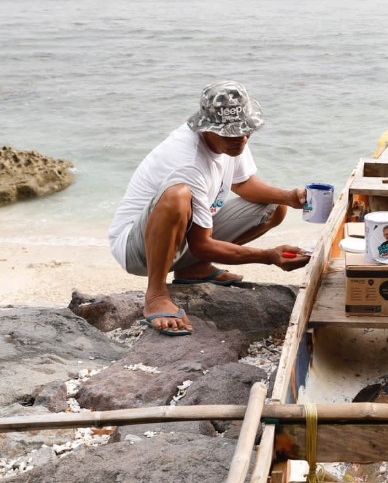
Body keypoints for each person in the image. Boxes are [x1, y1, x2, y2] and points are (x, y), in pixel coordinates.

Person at [109, 80, 312, 336]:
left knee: (275, 206)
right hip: (137, 249)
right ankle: (156, 294)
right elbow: (201, 244)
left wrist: (290, 197)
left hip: (182, 241)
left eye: (246, 130)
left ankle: (192, 269)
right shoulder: (188, 161)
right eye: (231, 133)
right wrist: (268, 256)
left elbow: (243, 183)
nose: (242, 138)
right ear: (206, 128)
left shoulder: (233, 142)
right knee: (178, 195)